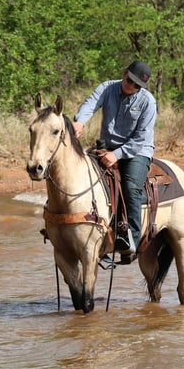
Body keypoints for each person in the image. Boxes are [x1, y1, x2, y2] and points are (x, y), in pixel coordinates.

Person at [72, 60, 156, 264]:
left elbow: (141, 138)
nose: (132, 87)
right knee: (83, 177)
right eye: (130, 81)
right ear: (124, 72)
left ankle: (131, 240)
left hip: (136, 151)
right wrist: (80, 122)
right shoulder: (107, 88)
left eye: (138, 85)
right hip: (107, 146)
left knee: (130, 186)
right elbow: (90, 103)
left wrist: (117, 155)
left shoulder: (148, 102)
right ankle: (100, 236)